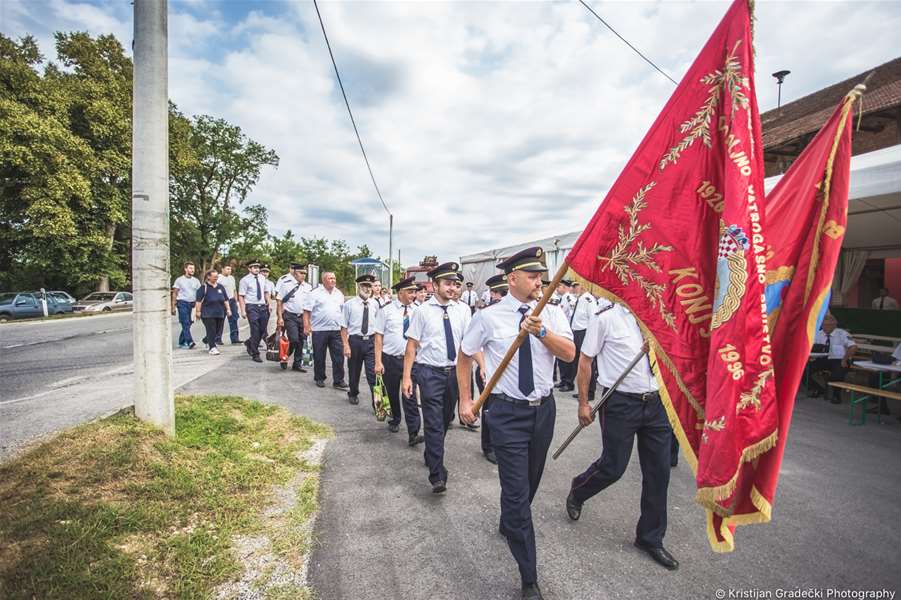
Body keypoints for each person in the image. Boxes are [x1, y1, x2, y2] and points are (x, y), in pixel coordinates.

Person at [458, 247, 575, 600]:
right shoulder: (489, 317)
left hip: (543, 411)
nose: (540, 281)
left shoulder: (552, 314)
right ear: (512, 279)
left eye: (542, 275)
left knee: (529, 484)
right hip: (506, 413)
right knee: (516, 492)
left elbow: (569, 354)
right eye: (533, 275)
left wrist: (541, 334)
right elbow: (464, 358)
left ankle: (511, 516)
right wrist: (465, 399)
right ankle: (529, 579)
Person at [565, 301, 678, 572]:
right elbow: (585, 360)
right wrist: (583, 402)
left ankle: (650, 538)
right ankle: (578, 491)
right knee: (613, 467)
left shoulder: (660, 314)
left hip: (656, 403)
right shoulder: (606, 318)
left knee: (659, 472)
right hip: (620, 402)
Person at [402, 262, 471, 494]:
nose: (453, 288)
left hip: (454, 372)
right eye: (448, 283)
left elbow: (469, 346)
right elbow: (411, 346)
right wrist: (406, 378)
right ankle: (437, 474)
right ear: (435, 285)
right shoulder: (422, 311)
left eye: (456, 284)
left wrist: (482, 367)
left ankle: (431, 453)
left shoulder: (463, 310)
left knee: (444, 420)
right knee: (432, 422)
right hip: (429, 372)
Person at [374, 276, 424, 444]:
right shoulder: (386, 310)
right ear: (400, 292)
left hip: (410, 360)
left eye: (415, 292)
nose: (414, 294)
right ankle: (395, 418)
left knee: (409, 395)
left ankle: (413, 432)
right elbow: (379, 337)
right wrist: (378, 361)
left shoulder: (418, 310)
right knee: (392, 392)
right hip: (390, 359)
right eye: (410, 291)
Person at [474, 272, 509, 465]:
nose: (502, 298)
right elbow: (474, 347)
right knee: (489, 410)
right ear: (492, 294)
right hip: (487, 370)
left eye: (506, 294)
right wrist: (482, 366)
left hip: (507, 373)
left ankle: (504, 444)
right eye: (500, 294)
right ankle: (488, 446)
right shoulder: (484, 315)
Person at [304, 271, 348, 390]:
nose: (333, 280)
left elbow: (343, 312)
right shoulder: (314, 294)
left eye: (334, 278)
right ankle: (319, 378)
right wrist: (306, 326)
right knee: (319, 355)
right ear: (323, 280)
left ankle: (338, 380)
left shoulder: (339, 294)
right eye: (330, 278)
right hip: (319, 330)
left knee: (338, 357)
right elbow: (307, 311)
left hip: (336, 330)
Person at [341, 274, 380, 405]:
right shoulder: (349, 305)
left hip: (371, 342)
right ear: (359, 286)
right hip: (355, 341)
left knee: (373, 374)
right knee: (354, 371)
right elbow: (344, 327)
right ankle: (353, 393)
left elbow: (379, 327)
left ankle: (378, 403)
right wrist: (346, 345)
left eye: (370, 286)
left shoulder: (375, 304)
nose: (367, 289)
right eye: (365, 285)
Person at [809, 313, 857, 404]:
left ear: (835, 325)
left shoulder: (842, 334)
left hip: (839, 360)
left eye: (829, 325)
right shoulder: (818, 334)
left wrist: (845, 359)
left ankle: (836, 395)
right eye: (824, 325)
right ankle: (818, 389)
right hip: (822, 359)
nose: (826, 327)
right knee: (804, 370)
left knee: (837, 375)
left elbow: (853, 347)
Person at [276, 262, 312, 372]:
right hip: (289, 316)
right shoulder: (286, 284)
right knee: (294, 339)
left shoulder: (308, 287)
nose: (303, 275)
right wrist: (280, 317)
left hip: (303, 317)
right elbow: (279, 301)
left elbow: (310, 304)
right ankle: (284, 356)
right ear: (295, 273)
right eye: (301, 273)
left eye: (305, 273)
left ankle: (297, 364)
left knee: (302, 340)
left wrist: (310, 321)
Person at [238, 259, 270, 363]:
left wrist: (268, 302)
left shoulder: (262, 278)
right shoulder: (244, 280)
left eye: (258, 267)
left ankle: (249, 342)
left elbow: (266, 291)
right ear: (249, 269)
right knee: (255, 329)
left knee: (262, 330)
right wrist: (243, 310)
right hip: (251, 306)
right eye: (254, 267)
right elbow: (241, 296)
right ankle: (255, 353)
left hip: (262, 306)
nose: (257, 269)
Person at [194, 269, 231, 355]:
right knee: (211, 330)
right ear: (208, 277)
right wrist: (198, 311)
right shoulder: (203, 288)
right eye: (214, 277)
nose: (216, 278)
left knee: (217, 331)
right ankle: (212, 347)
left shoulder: (220, 287)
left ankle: (207, 339)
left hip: (220, 312)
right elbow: (198, 301)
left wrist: (228, 309)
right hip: (208, 313)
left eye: (217, 277)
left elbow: (225, 299)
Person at [171, 262, 201, 349]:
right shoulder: (179, 280)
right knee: (185, 322)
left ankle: (181, 341)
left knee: (189, 323)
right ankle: (190, 341)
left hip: (192, 304)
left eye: (193, 268)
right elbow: (175, 293)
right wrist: (173, 306)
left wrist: (198, 307)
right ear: (185, 269)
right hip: (182, 303)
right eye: (190, 268)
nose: (192, 270)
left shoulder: (196, 281)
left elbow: (199, 294)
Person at [218, 264, 240, 345]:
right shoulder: (218, 278)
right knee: (220, 320)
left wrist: (236, 301)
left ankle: (235, 338)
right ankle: (218, 338)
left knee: (234, 319)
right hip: (222, 301)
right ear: (222, 269)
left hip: (232, 300)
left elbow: (234, 290)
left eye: (230, 269)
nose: (229, 270)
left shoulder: (232, 278)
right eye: (227, 269)